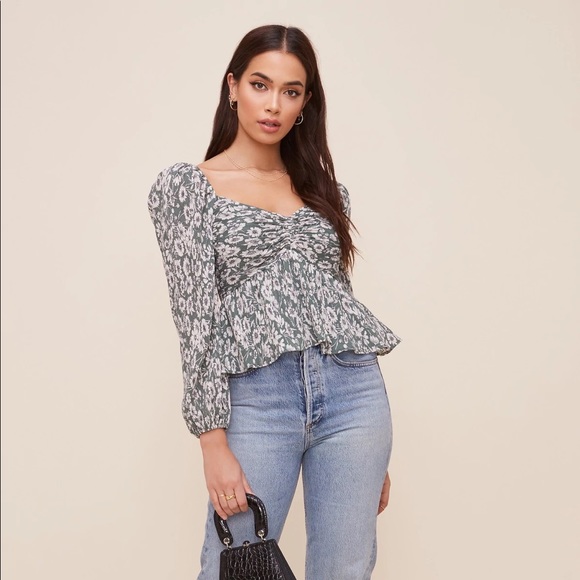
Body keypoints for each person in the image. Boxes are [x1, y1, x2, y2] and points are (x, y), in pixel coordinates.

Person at [148, 24, 400, 580]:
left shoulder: (325, 192)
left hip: (353, 393)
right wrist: (212, 442)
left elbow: (338, 304)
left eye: (291, 91)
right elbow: (195, 319)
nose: (273, 105)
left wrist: (373, 459)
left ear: (305, 103)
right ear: (232, 86)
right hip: (257, 399)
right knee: (234, 566)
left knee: (345, 570)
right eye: (260, 85)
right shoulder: (187, 188)